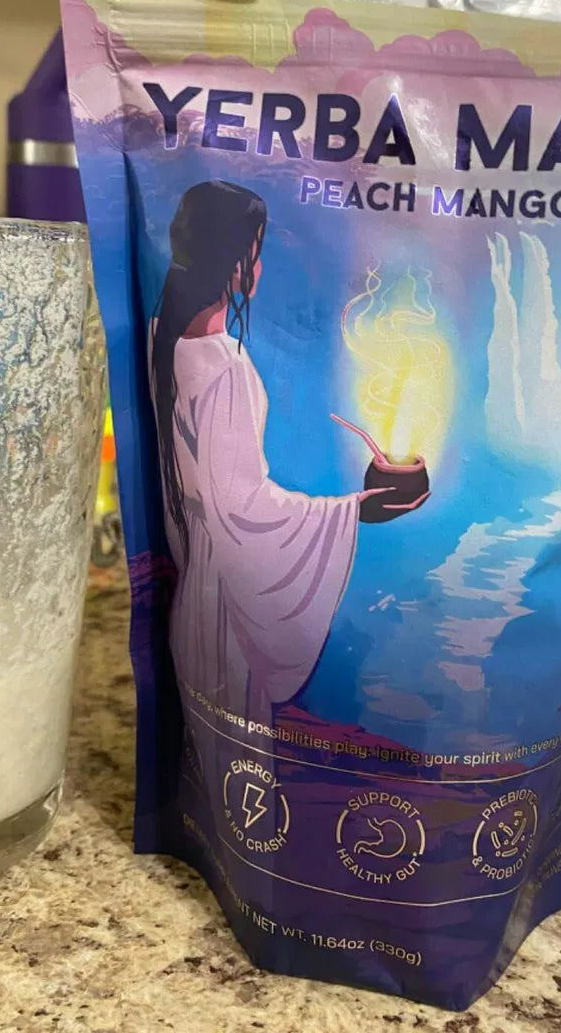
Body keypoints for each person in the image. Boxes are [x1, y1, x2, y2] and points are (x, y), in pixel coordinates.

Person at [150, 180, 426, 719]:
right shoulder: (225, 369)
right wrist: (355, 512)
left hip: (191, 585)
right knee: (232, 729)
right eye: (255, 253)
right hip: (222, 600)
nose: (257, 269)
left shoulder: (162, 336)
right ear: (234, 263)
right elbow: (242, 510)